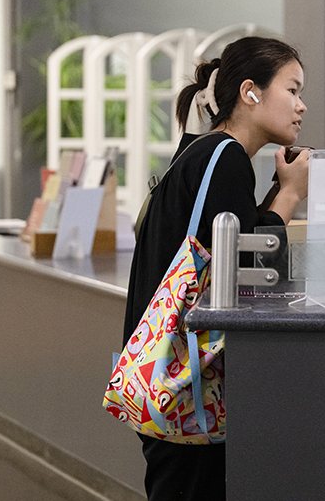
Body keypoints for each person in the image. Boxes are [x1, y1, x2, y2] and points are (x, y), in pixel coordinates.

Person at [123, 36, 309, 500]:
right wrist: (289, 196)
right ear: (250, 92)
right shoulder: (225, 157)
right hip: (186, 377)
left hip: (162, 370)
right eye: (292, 89)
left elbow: (228, 238)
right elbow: (247, 263)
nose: (301, 106)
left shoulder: (202, 151)